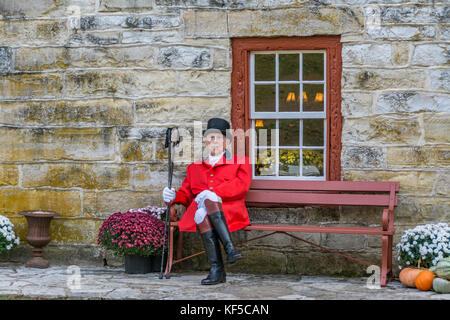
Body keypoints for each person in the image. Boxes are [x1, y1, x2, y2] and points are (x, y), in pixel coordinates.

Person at [162, 118, 252, 285]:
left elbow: (241, 187)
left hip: (228, 211)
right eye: (210, 138)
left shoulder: (241, 162)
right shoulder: (194, 167)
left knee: (205, 207)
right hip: (203, 211)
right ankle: (225, 257)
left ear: (226, 142)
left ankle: (220, 264)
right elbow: (187, 195)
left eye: (218, 138)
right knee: (202, 211)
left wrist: (209, 194)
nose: (213, 142)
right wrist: (174, 195)